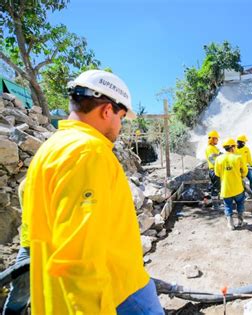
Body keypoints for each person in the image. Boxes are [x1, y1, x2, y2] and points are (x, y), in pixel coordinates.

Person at [21, 70, 164, 314]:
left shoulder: (50, 149)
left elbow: (30, 227)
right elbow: (79, 259)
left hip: (61, 296)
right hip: (117, 291)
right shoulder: (88, 152)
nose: (120, 125)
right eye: (121, 117)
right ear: (107, 110)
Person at [3, 180, 29, 315]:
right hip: (36, 245)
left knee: (21, 294)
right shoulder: (31, 184)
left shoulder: (29, 182)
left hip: (31, 244)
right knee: (21, 294)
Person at [214, 138, 248, 230]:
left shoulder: (218, 159)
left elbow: (217, 173)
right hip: (237, 188)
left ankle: (230, 224)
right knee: (240, 203)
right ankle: (241, 222)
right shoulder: (238, 157)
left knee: (228, 206)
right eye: (235, 146)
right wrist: (240, 176)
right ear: (232, 147)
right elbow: (245, 171)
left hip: (226, 189)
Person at [205, 130, 221, 208]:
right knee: (215, 188)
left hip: (217, 169)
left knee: (217, 187)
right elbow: (212, 159)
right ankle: (215, 205)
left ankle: (217, 202)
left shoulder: (215, 148)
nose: (217, 140)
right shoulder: (209, 148)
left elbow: (219, 155)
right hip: (214, 170)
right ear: (212, 139)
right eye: (216, 138)